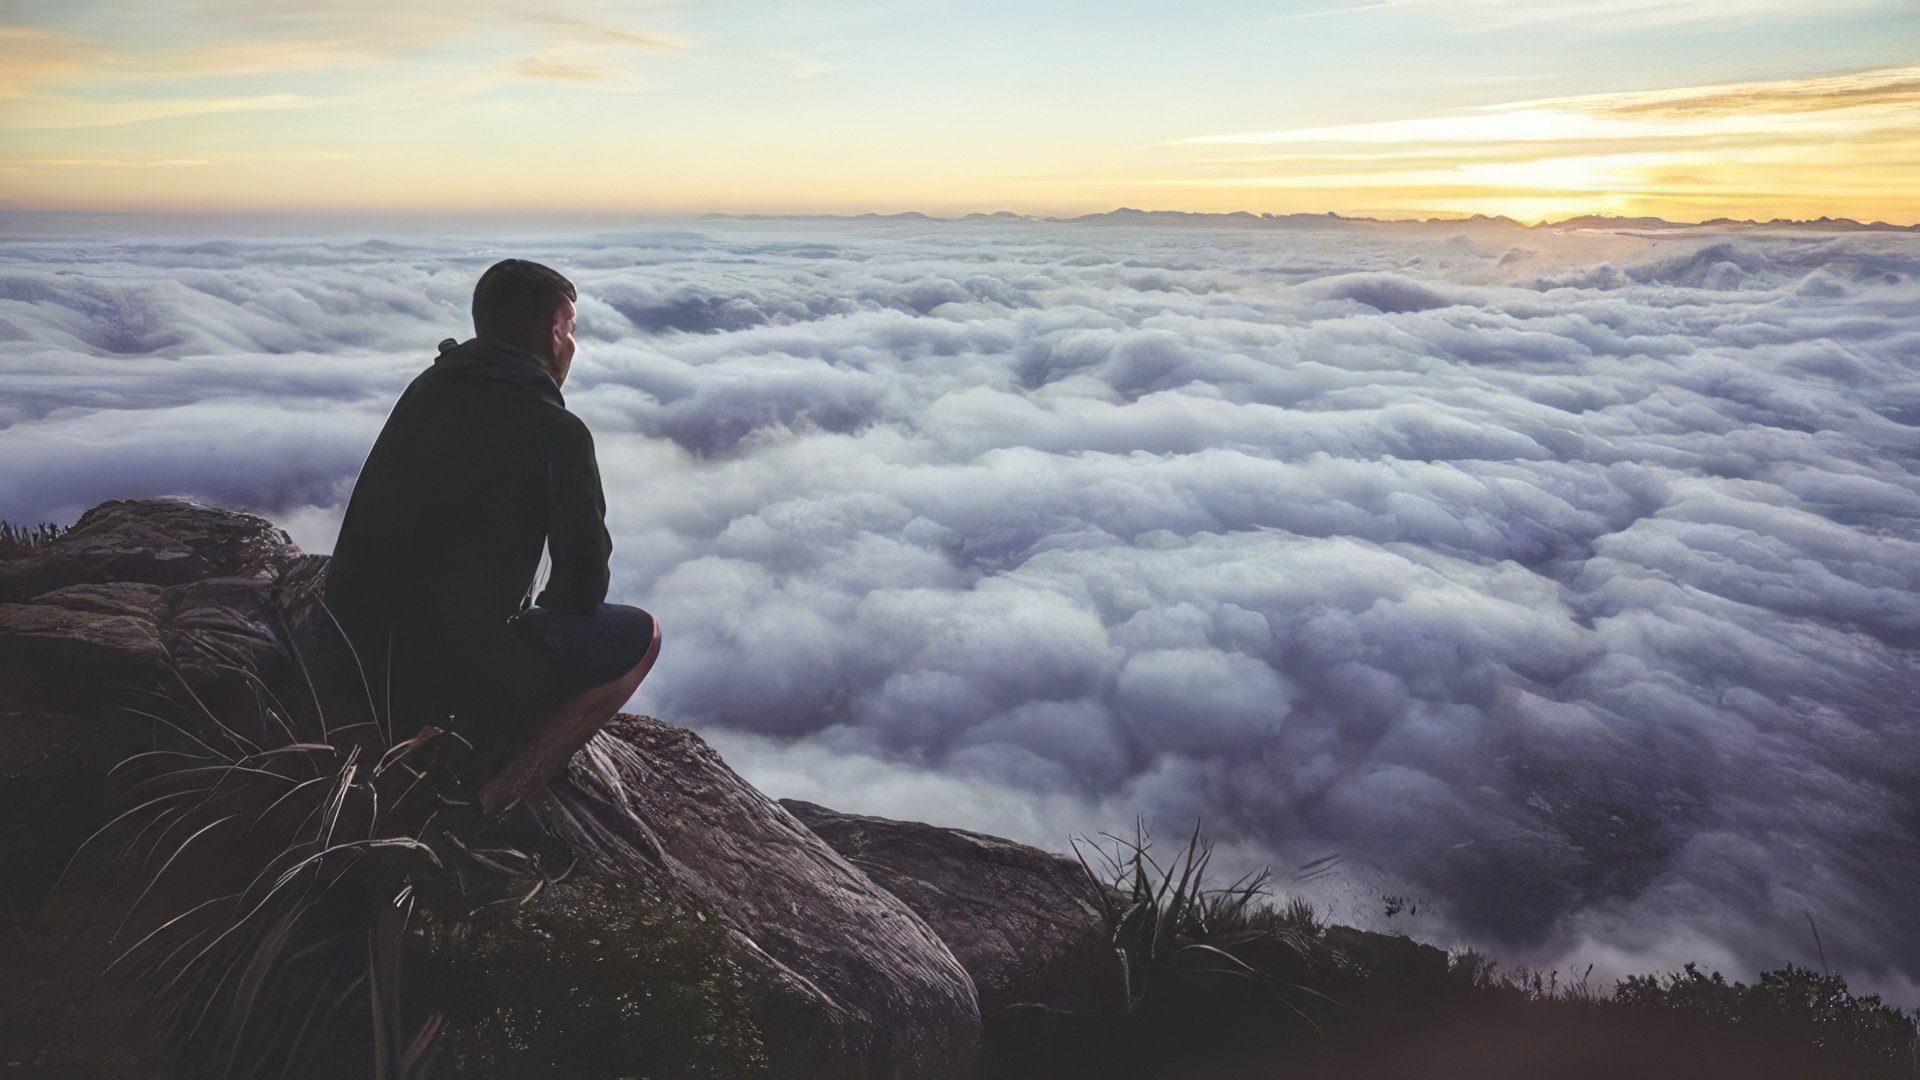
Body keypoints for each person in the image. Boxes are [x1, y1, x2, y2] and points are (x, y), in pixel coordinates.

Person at [323, 258, 659, 812]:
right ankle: (492, 792)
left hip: (343, 649)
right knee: (640, 636)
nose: (571, 343)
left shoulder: (428, 387)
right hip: (434, 675)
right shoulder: (557, 431)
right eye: (569, 329)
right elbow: (582, 589)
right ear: (554, 333)